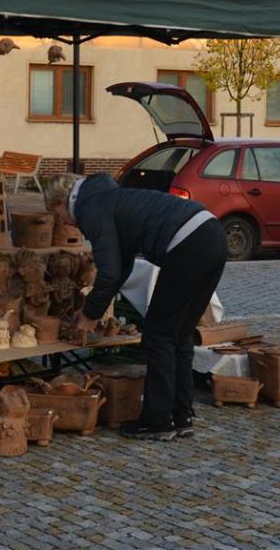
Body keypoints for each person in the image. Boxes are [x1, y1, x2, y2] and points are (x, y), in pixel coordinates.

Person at [43, 172, 227, 441]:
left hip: (187, 243)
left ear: (62, 201)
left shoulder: (89, 207)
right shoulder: (110, 198)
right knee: (180, 333)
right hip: (212, 233)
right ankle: (181, 415)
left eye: (57, 214)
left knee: (158, 335)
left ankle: (158, 421)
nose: (64, 223)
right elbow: (121, 267)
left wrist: (91, 314)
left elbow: (110, 272)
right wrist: (92, 308)